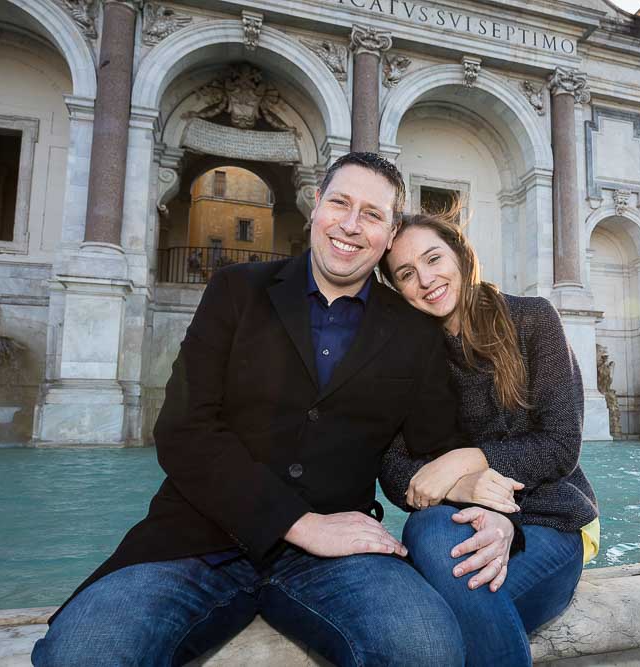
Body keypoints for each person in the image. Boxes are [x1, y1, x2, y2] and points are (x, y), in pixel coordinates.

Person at [32, 153, 507, 666]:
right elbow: (184, 430)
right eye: (340, 203)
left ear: (390, 235)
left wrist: (490, 510)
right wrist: (300, 523)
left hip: (339, 556)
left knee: (427, 649)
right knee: (82, 655)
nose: (351, 224)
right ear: (314, 209)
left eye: (372, 214)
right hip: (196, 538)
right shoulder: (236, 291)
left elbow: (431, 454)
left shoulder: (415, 332)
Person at [378, 209, 600, 666]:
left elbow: (560, 445)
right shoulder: (406, 356)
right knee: (425, 528)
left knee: (432, 624)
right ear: (397, 289)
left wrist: (466, 460)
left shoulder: (533, 319)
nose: (425, 279)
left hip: (551, 523)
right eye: (406, 274)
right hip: (459, 530)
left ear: (459, 254)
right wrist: (465, 491)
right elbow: (395, 472)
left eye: (433, 258)